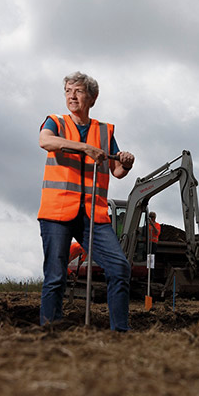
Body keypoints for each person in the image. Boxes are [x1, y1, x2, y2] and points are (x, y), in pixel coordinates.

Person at [37, 71, 135, 331]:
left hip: (94, 215)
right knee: (56, 277)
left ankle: (120, 334)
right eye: (68, 90)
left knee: (120, 268)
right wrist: (84, 148)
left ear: (92, 97)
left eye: (78, 91)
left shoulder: (104, 131)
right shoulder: (55, 122)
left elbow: (117, 172)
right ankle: (50, 332)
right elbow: (45, 141)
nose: (72, 95)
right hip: (57, 211)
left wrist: (126, 163)